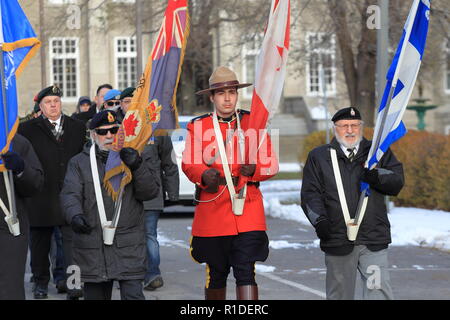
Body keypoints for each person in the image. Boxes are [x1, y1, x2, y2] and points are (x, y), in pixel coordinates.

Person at [182, 66, 279, 300]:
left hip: (248, 207)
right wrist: (204, 175)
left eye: (232, 92)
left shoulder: (253, 122)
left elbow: (272, 164)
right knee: (216, 272)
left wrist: (256, 169)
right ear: (212, 97)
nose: (228, 98)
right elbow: (189, 162)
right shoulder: (199, 126)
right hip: (213, 208)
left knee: (246, 271)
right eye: (222, 93)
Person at [300, 107, 404, 300]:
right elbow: (310, 194)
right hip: (337, 237)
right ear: (335, 128)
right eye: (345, 125)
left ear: (361, 128)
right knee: (339, 295)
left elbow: (397, 182)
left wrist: (377, 176)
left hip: (373, 238)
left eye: (355, 125)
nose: (350, 130)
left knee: (378, 292)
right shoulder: (319, 156)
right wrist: (320, 221)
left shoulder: (377, 153)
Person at [60, 110, 160, 300]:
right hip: (93, 243)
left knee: (133, 296)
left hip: (128, 244)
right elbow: (69, 194)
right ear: (93, 135)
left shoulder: (133, 157)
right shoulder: (79, 163)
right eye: (102, 132)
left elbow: (150, 192)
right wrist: (75, 215)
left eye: (114, 130)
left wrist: (137, 166)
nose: (109, 136)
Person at [18, 85, 87, 299]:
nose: (53, 105)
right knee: (39, 244)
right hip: (40, 195)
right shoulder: (28, 129)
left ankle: (73, 283)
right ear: (41, 106)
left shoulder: (77, 127)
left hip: (70, 194)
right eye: (48, 102)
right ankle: (40, 283)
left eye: (56, 101)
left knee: (72, 245)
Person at [0, 134, 44, 300]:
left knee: (8, 290)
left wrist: (21, 169)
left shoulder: (17, 142)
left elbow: (36, 183)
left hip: (8, 229)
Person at [142, 131, 179, 291]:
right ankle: (128, 274)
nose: (130, 104)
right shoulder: (116, 125)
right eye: (126, 102)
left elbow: (169, 163)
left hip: (151, 193)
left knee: (149, 234)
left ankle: (153, 274)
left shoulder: (158, 130)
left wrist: (173, 193)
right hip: (125, 195)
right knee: (125, 236)